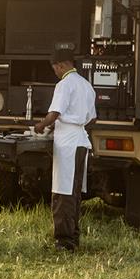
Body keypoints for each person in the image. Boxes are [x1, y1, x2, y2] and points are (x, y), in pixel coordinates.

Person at [34, 46, 97, 251]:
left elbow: (54, 113)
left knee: (62, 193)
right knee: (75, 192)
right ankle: (73, 237)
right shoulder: (87, 85)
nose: (56, 73)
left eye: (55, 69)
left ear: (61, 65)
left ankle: (64, 242)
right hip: (80, 141)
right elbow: (92, 118)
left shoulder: (65, 84)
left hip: (68, 145)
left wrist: (41, 126)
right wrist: (74, 123)